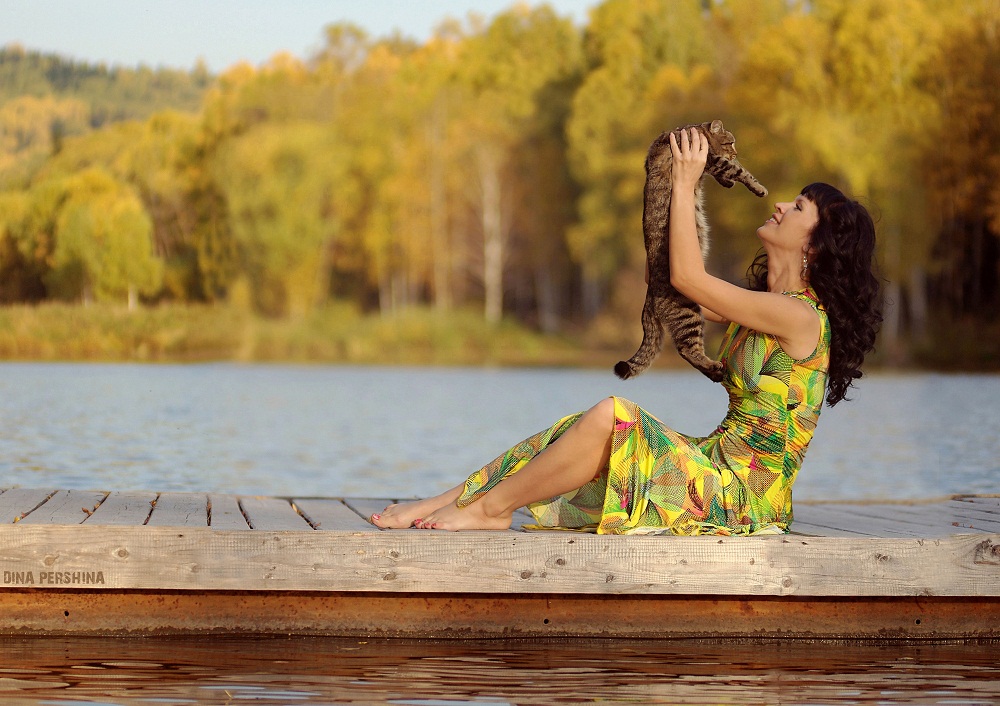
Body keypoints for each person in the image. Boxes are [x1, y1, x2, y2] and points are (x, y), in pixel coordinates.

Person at [371, 127, 882, 535]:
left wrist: (685, 184)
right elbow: (669, 281)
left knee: (614, 416)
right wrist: (666, 189)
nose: (780, 205)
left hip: (744, 500)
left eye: (797, 208)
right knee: (575, 427)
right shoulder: (763, 308)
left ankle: (491, 509)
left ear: (815, 246)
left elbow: (688, 278)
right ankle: (454, 500)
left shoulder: (799, 317)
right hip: (715, 469)